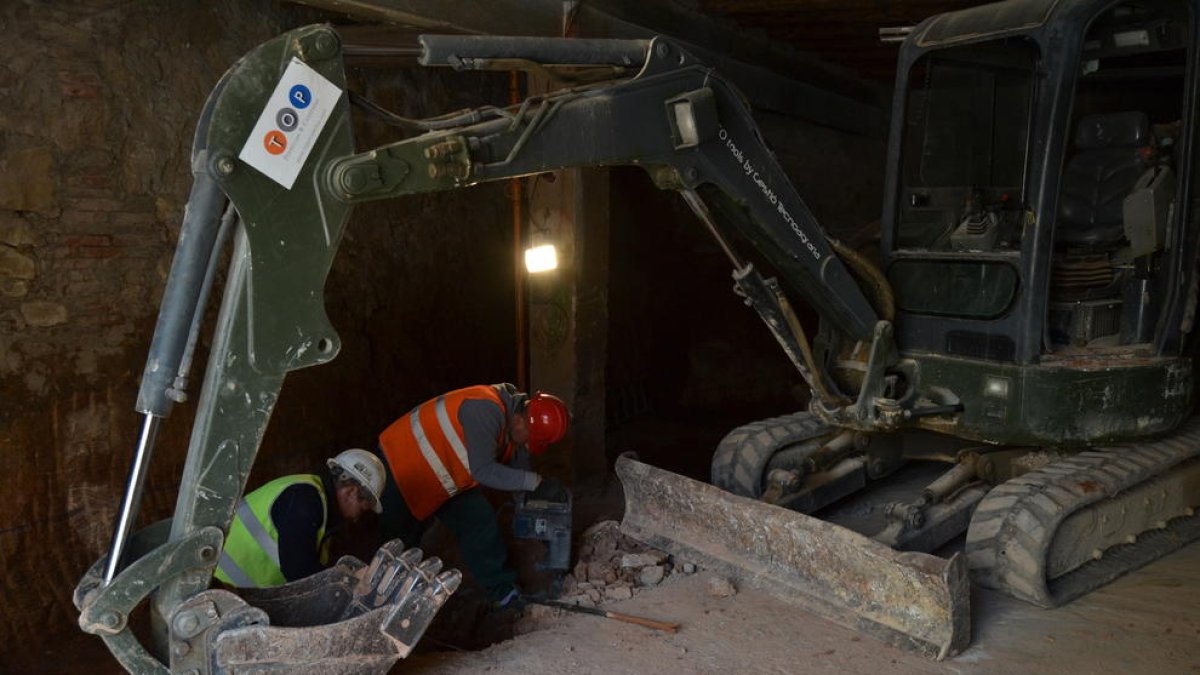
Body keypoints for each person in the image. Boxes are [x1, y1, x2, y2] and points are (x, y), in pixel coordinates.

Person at [369, 383, 570, 608]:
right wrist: (534, 482)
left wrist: (531, 497)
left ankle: (504, 594)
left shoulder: (513, 422)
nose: (526, 444)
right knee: (398, 544)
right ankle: (379, 606)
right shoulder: (485, 410)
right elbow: (483, 470)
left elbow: (517, 465)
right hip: (402, 465)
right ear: (520, 420)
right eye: (529, 439)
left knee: (479, 521)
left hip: (444, 475)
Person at [214, 448, 386, 588]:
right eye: (363, 509)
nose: (358, 517)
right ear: (351, 492)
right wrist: (349, 583)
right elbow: (299, 571)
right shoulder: (305, 500)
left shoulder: (316, 509)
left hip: (233, 593)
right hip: (220, 587)